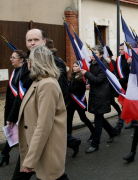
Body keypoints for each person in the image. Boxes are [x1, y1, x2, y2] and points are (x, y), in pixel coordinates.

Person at [18, 45, 69, 180]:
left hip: (48, 149)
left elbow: (44, 125)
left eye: (29, 59)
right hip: (42, 148)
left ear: (33, 62)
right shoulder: (39, 82)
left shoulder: (47, 85)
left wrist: (30, 160)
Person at [81, 45, 118, 154]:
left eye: (95, 54)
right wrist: (88, 85)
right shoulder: (93, 63)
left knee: (98, 119)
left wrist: (86, 73)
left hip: (102, 95)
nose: (93, 55)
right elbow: (94, 79)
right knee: (99, 117)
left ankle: (95, 144)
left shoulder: (104, 64)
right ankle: (112, 131)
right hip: (96, 94)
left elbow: (99, 79)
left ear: (101, 55)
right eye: (92, 53)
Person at [1, 50, 28, 167]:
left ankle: (4, 154)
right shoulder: (14, 71)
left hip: (20, 107)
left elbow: (20, 94)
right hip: (12, 106)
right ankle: (5, 154)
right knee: (13, 130)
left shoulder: (24, 72)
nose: (11, 59)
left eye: (14, 57)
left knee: (16, 131)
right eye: (11, 57)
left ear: (22, 60)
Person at [67, 61, 95, 140]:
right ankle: (68, 137)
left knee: (83, 118)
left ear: (80, 67)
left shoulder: (81, 77)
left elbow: (74, 89)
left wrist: (67, 87)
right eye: (73, 66)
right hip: (71, 102)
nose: (74, 68)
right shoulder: (72, 75)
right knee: (69, 120)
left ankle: (93, 131)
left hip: (79, 101)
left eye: (76, 66)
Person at [114, 43, 131, 132]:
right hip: (122, 86)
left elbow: (131, 75)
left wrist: (120, 81)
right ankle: (133, 121)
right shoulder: (118, 59)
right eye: (119, 49)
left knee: (126, 106)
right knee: (125, 105)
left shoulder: (130, 59)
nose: (120, 51)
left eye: (122, 49)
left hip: (130, 86)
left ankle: (119, 126)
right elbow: (116, 72)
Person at [106, 46, 123, 121]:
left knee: (115, 100)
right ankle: (120, 113)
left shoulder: (112, 62)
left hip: (112, 85)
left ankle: (121, 113)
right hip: (106, 85)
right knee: (111, 101)